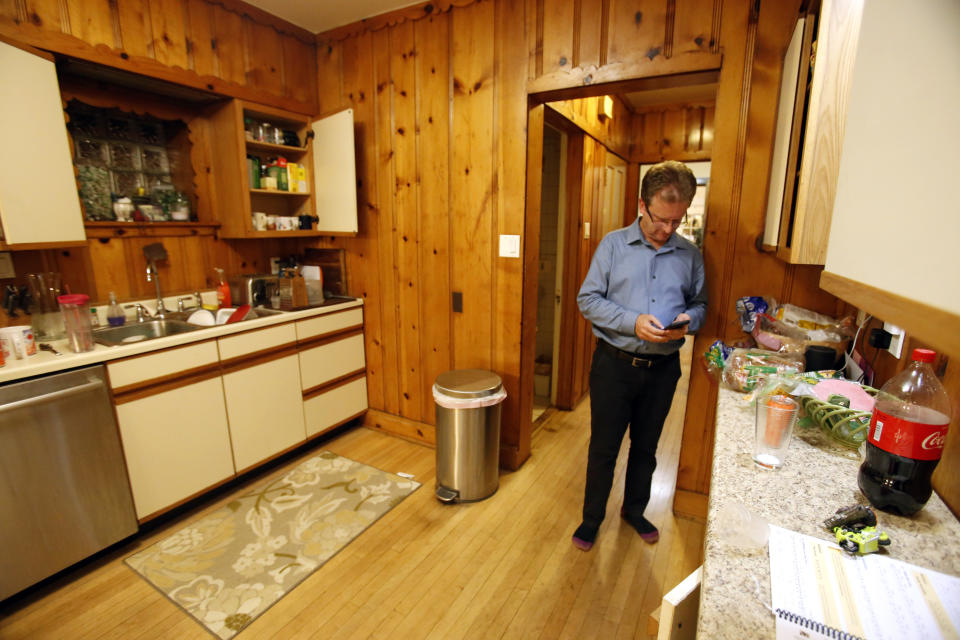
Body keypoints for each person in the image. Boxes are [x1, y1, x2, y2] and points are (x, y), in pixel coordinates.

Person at [572, 160, 707, 551]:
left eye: (676, 222)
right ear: (641, 205)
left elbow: (700, 305)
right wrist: (633, 322)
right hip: (613, 366)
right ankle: (591, 518)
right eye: (660, 220)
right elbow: (587, 300)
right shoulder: (613, 245)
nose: (667, 230)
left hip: (664, 370)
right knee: (604, 448)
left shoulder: (690, 255)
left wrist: (688, 321)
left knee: (646, 449)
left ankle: (634, 510)